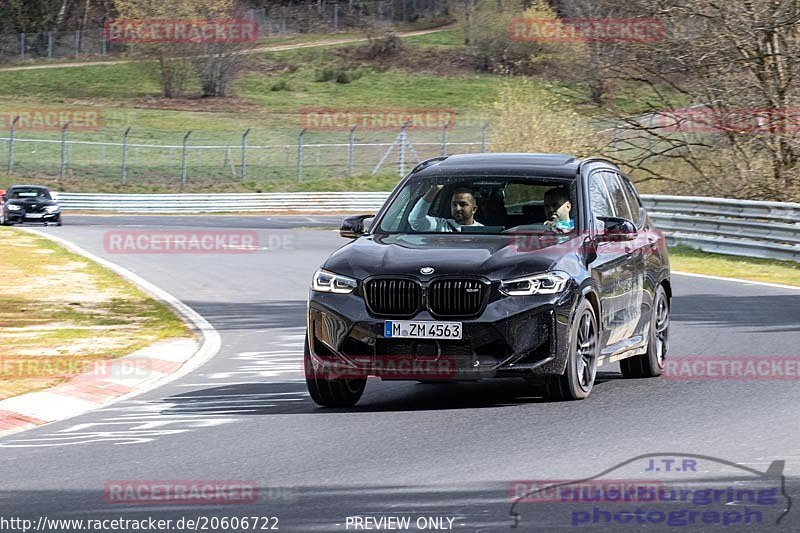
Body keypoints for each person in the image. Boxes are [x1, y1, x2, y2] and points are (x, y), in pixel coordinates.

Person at [408, 184, 484, 232]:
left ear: (474, 209)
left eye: (462, 204)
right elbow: (415, 221)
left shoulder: (482, 230)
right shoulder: (441, 225)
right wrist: (434, 190)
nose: (457, 208)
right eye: (454, 204)